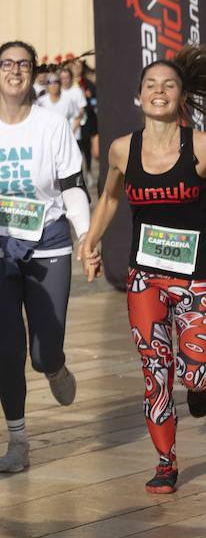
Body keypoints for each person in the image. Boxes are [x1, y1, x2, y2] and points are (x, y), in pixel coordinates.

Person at [0, 40, 89, 475]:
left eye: (23, 64)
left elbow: (71, 184)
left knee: (43, 350)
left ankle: (54, 365)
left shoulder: (52, 126)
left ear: (34, 72)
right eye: (7, 64)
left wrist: (85, 233)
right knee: (8, 346)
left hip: (48, 239)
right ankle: (18, 441)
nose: (15, 71)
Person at [79, 49, 206, 494]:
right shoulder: (121, 149)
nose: (159, 91)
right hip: (144, 277)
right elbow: (111, 197)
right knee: (156, 368)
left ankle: (199, 384)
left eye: (168, 85)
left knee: (199, 371)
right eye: (150, 84)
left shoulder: (202, 146)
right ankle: (165, 463)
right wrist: (91, 239)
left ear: (182, 97)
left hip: (197, 279)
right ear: (138, 96)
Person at [35, 69, 85, 140]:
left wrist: (71, 134)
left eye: (56, 82)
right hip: (47, 140)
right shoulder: (40, 102)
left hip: (64, 140)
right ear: (47, 85)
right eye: (50, 82)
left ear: (60, 84)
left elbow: (78, 117)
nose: (53, 85)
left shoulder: (67, 101)